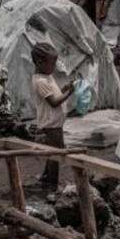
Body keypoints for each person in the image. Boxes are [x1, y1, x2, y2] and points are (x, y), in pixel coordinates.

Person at [29, 25, 74, 186]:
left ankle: (46, 177)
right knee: (56, 153)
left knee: (55, 149)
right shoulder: (40, 81)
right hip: (51, 122)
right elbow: (54, 102)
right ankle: (53, 184)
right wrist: (69, 93)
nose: (54, 67)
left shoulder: (46, 77)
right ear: (40, 63)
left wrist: (64, 89)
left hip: (55, 121)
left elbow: (54, 95)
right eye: (51, 64)